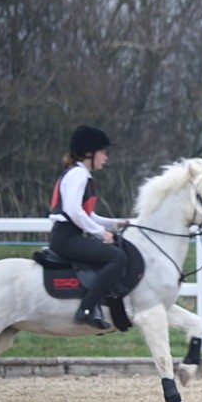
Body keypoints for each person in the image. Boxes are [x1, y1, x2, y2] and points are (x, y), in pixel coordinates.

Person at [48, 125, 129, 329]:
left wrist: (113, 223)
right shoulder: (79, 175)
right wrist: (100, 232)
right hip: (67, 238)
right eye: (103, 153)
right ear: (88, 153)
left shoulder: (78, 173)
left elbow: (87, 213)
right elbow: (74, 212)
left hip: (68, 235)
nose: (106, 158)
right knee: (117, 257)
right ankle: (86, 308)